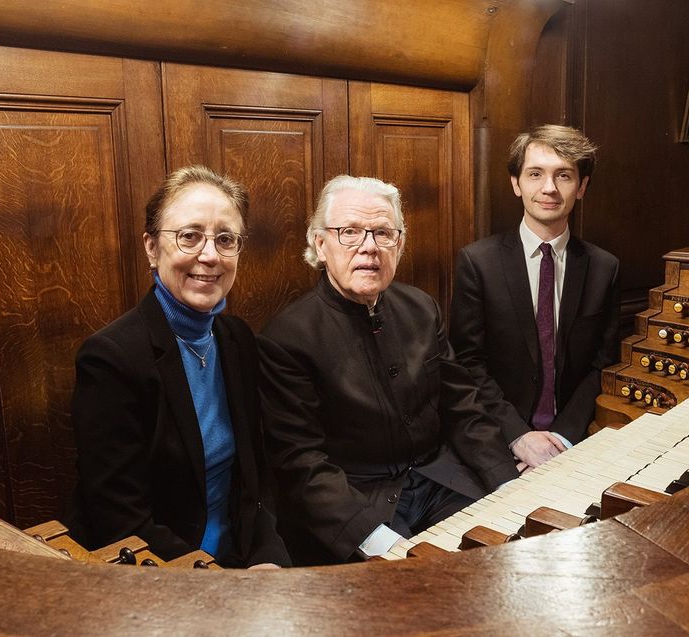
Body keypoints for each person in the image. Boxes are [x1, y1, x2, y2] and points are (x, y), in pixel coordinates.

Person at [258, 175, 519, 565]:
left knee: (510, 557)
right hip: (360, 505)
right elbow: (302, 463)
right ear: (320, 244)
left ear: (398, 244)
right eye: (349, 232)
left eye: (382, 232)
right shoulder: (287, 337)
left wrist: (511, 487)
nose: (369, 247)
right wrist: (377, 541)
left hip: (442, 479)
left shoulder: (421, 307)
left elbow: (463, 410)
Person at [65, 165, 289, 568]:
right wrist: (219, 580)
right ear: (152, 247)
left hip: (243, 559)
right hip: (162, 570)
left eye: (226, 239)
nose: (209, 255)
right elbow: (120, 520)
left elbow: (256, 478)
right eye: (190, 236)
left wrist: (268, 558)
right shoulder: (110, 359)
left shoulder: (237, 338)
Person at [450, 125, 620, 471]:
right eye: (535, 174)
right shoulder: (478, 262)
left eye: (564, 176)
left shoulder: (605, 268)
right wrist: (519, 437)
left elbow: (603, 365)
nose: (549, 188)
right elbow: (468, 363)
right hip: (498, 437)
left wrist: (561, 438)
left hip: (577, 438)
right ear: (517, 183)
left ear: (582, 186)